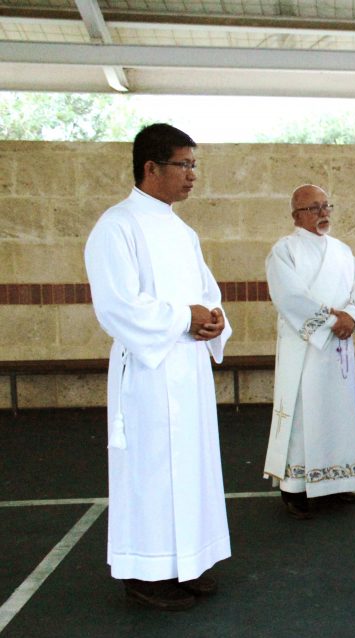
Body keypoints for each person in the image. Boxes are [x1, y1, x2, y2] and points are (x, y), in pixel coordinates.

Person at [84, 123, 230, 611]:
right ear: (151, 167)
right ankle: (145, 572)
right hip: (147, 375)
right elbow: (117, 306)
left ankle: (185, 561)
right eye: (183, 165)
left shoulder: (182, 231)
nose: (192, 176)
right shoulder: (117, 226)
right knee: (152, 470)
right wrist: (183, 317)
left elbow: (207, 293)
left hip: (188, 370)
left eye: (194, 166)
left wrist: (214, 320)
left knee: (190, 466)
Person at [264, 184, 355, 520]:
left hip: (339, 345)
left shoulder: (342, 250)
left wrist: (352, 317)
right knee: (302, 413)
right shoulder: (284, 250)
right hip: (305, 347)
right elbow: (289, 297)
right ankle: (294, 489)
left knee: (337, 413)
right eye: (314, 208)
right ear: (296, 214)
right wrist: (332, 320)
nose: (323, 213)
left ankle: (338, 479)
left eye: (326, 206)